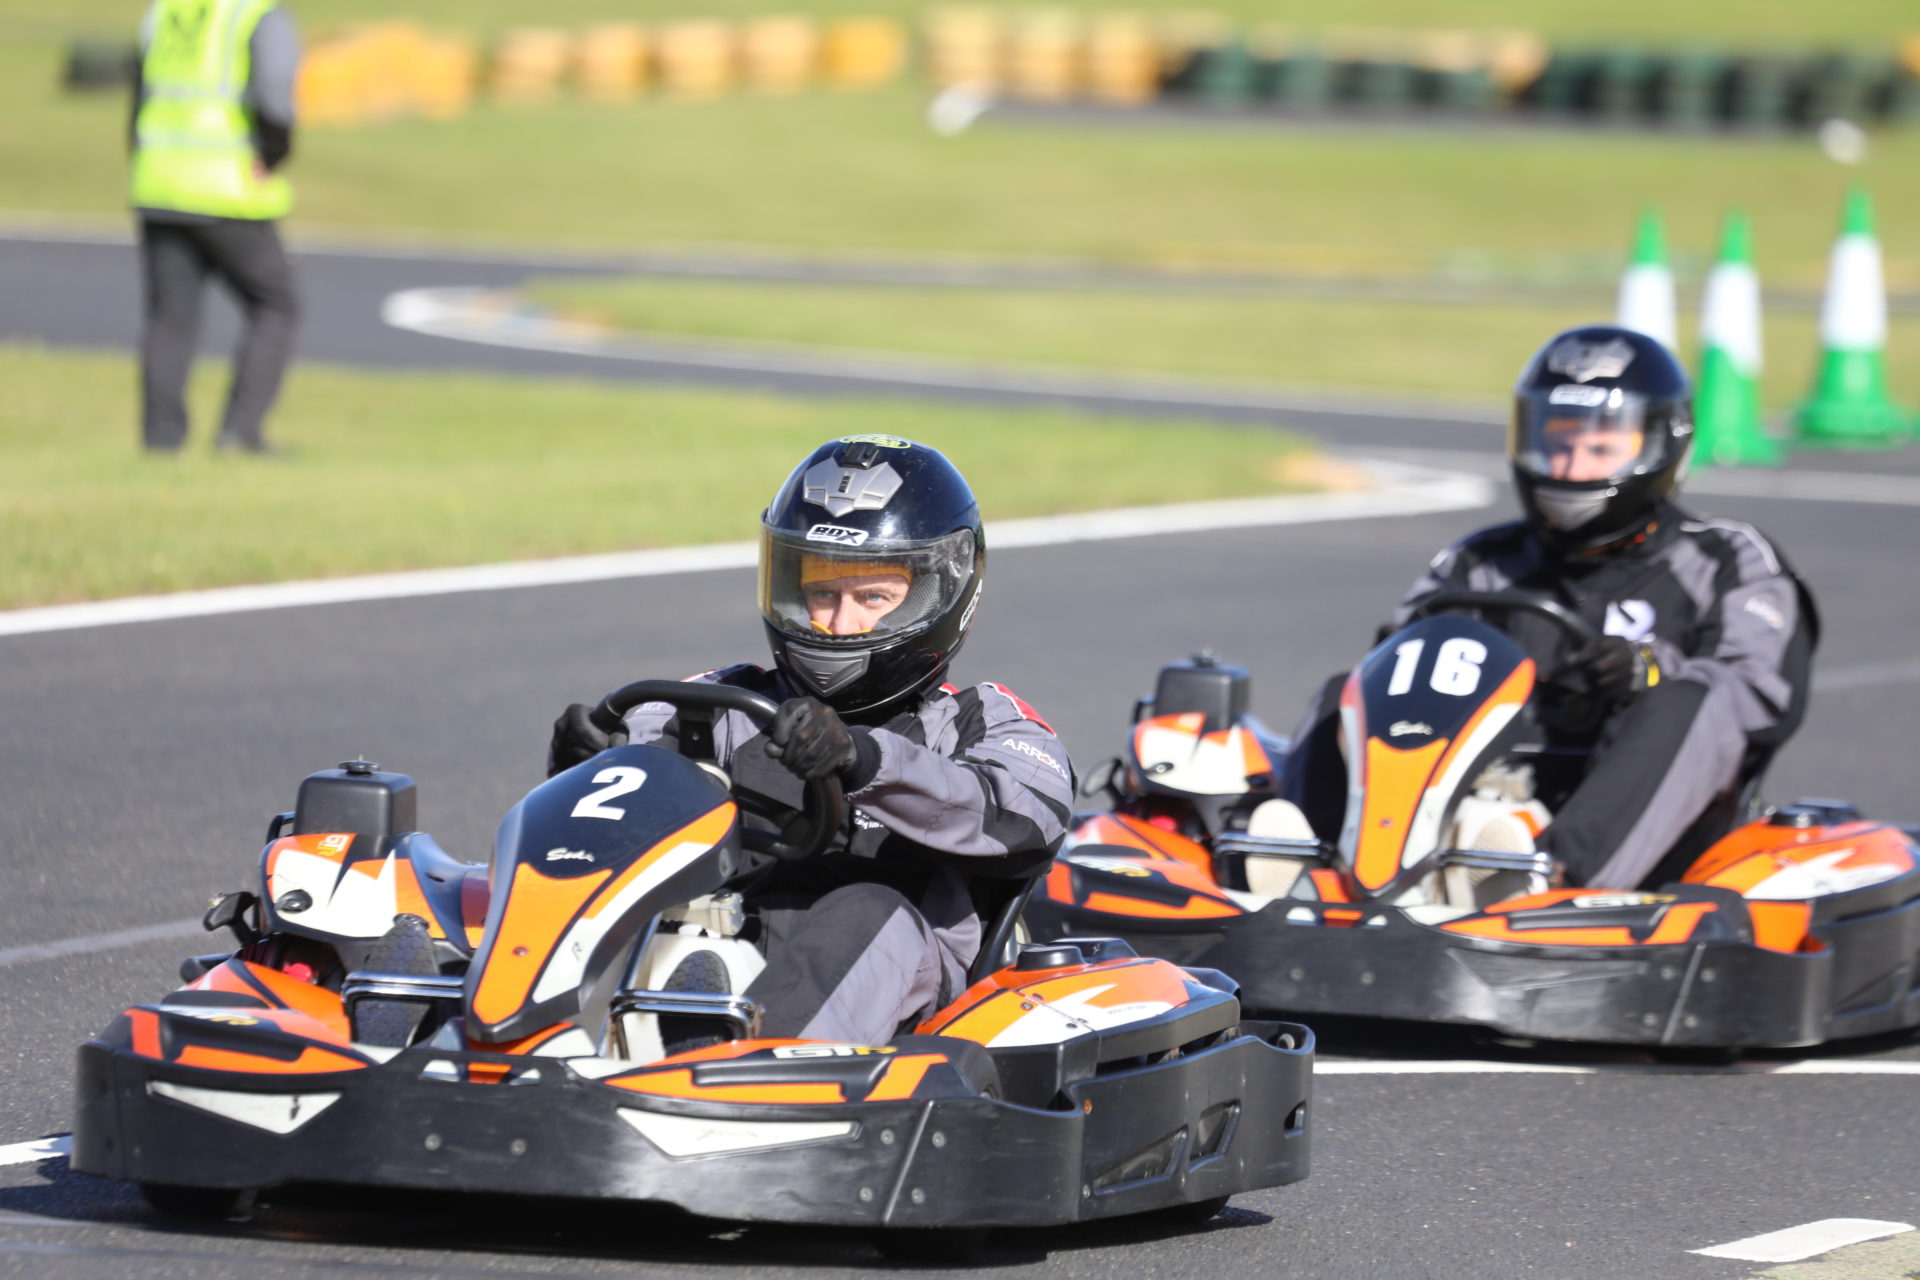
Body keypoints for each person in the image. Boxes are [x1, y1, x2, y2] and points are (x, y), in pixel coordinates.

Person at [548, 435, 1074, 1044]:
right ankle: (480, 1031)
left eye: (873, 597)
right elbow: (631, 770)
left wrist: (862, 757)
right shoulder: (727, 702)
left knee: (868, 911)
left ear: (941, 593)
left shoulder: (981, 720)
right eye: (823, 594)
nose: (838, 624)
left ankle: (734, 1085)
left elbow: (1026, 820)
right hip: (724, 947)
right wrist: (591, 764)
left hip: (906, 996)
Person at [1283, 325, 1817, 888]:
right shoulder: (1480, 561)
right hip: (1475, 801)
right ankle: (1315, 867)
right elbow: (1393, 664)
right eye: (1560, 442)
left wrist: (1648, 668)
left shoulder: (1728, 557)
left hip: (1655, 839)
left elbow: (1760, 692)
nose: (1572, 466)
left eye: (1601, 447)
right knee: (1347, 692)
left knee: (1695, 698)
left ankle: (1553, 881)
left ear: (1663, 444)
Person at [130, 0, 301, 454]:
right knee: (275, 305)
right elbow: (276, 92)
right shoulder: (254, 12)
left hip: (158, 181)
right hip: (225, 187)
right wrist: (273, 153)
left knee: (169, 319)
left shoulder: (165, 9)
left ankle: (161, 443)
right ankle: (239, 434)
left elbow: (139, 88)